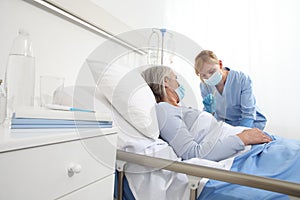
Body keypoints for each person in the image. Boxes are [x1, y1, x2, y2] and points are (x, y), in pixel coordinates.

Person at [141, 65, 300, 199]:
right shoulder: (164, 109)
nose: (179, 83)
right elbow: (192, 152)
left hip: (251, 146)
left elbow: (205, 133)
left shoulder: (178, 109)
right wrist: (241, 138)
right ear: (165, 82)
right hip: (242, 152)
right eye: (176, 78)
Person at [194, 50, 267, 130]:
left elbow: (248, 115)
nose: (208, 77)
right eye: (203, 75)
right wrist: (210, 111)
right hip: (225, 126)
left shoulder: (241, 79)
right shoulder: (204, 86)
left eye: (211, 71)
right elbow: (212, 118)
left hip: (250, 124)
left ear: (220, 64)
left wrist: (240, 133)